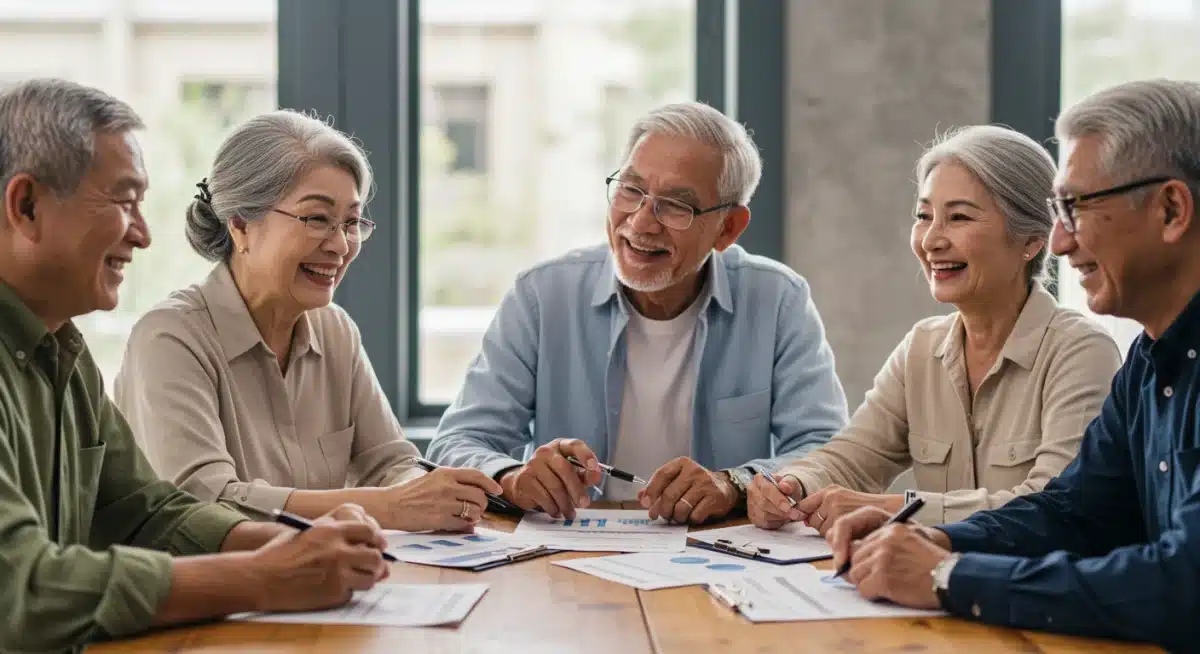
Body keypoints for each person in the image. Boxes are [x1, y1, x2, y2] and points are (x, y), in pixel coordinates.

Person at [0, 78, 393, 653]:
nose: (143, 234)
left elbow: (146, 513)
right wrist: (265, 576)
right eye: (122, 201)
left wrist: (284, 544)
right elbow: (21, 591)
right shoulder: (164, 334)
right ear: (27, 205)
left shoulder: (64, 354)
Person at [826, 78, 1200, 650]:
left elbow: (1182, 584)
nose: (1057, 243)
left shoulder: (1093, 349)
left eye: (1075, 207)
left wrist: (946, 575)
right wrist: (941, 540)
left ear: (1171, 209)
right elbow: (1073, 511)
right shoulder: (1147, 365)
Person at [428, 101, 849, 524]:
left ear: (728, 228)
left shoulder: (778, 300)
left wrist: (734, 484)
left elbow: (830, 451)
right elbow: (457, 442)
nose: (642, 222)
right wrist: (515, 477)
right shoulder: (541, 295)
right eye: (631, 190)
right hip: (566, 552)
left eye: (675, 206)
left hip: (718, 556)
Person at [113, 110, 501, 532]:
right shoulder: (169, 338)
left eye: (351, 223)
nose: (340, 245)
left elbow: (391, 464)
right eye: (317, 218)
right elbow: (202, 501)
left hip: (327, 585)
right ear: (241, 225)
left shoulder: (335, 330)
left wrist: (433, 496)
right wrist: (389, 507)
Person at [747, 125, 1121, 534]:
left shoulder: (1082, 352)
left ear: (1032, 240)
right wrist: (792, 485)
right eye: (924, 216)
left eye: (958, 217)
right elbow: (852, 457)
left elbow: (1052, 505)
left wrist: (892, 509)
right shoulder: (921, 348)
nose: (931, 240)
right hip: (926, 587)